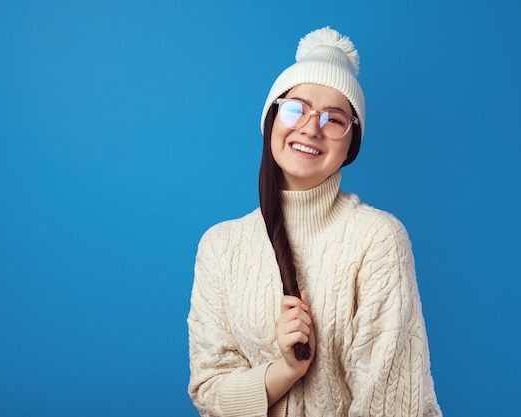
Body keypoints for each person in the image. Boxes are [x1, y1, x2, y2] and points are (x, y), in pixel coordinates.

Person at [187, 27, 442, 417]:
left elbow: (391, 406)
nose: (310, 127)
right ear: (272, 119)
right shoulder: (221, 246)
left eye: (334, 119)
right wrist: (285, 370)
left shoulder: (377, 239)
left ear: (350, 144)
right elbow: (210, 390)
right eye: (296, 108)